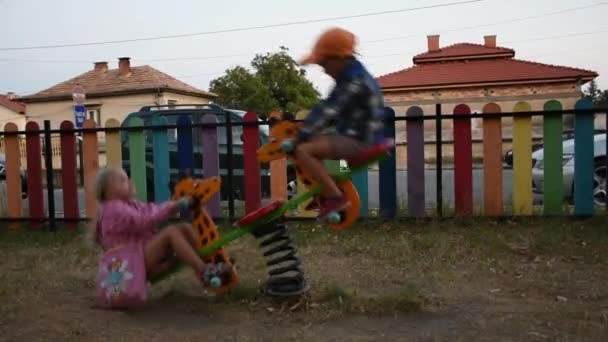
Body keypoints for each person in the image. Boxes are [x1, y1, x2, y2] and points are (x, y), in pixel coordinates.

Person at [295, 27, 386, 219]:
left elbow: (329, 109)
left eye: (325, 64)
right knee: (315, 143)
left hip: (362, 141)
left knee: (303, 150)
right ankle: (329, 187)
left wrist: (303, 133)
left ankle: (335, 197)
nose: (324, 70)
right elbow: (332, 110)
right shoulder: (353, 76)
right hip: (358, 136)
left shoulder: (354, 80)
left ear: (338, 59)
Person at [92, 167, 229, 294]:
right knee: (171, 233)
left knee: (184, 227)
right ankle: (205, 271)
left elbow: (151, 210)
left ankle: (210, 264)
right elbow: (143, 220)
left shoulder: (128, 204)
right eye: (122, 181)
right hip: (132, 263)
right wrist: (174, 206)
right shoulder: (114, 208)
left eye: (127, 179)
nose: (129, 182)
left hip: (138, 255)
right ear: (109, 192)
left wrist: (174, 205)